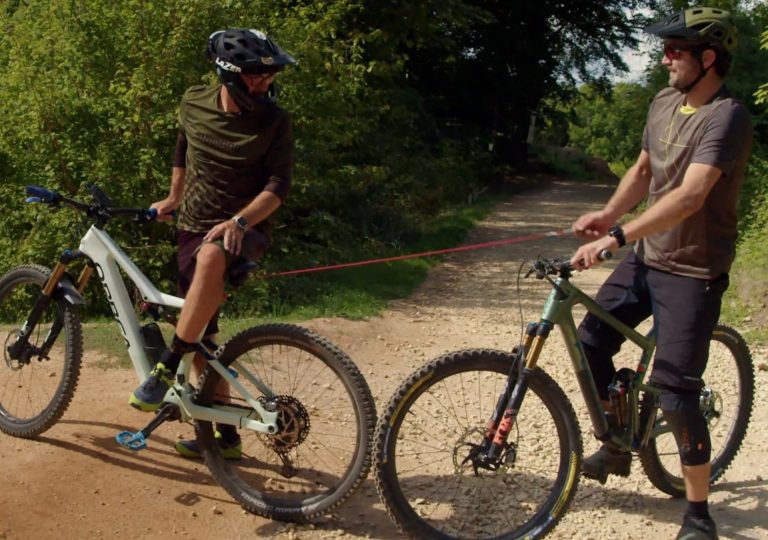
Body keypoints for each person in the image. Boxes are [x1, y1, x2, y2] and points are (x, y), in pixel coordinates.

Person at [569, 7, 752, 540]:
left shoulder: (727, 116)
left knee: (675, 393)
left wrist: (617, 237)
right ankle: (619, 441)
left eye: (676, 50)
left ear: (708, 58)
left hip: (693, 272)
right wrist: (608, 215)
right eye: (665, 48)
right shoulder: (664, 101)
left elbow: (692, 196)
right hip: (648, 259)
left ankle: (699, 515)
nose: (665, 58)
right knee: (590, 341)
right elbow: (645, 170)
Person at [128, 28, 296, 460]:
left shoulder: (276, 122)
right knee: (205, 335)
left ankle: (164, 369)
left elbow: (278, 187)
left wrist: (239, 220)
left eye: (269, 75)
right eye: (256, 76)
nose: (265, 83)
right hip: (192, 224)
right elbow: (184, 148)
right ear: (228, 74)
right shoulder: (193, 102)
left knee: (210, 257)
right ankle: (226, 438)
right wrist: (173, 197)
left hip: (246, 228)